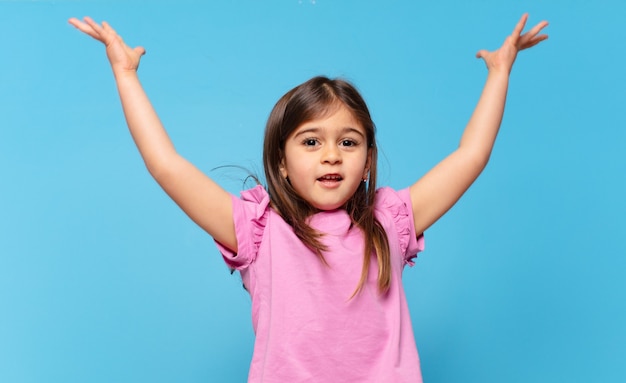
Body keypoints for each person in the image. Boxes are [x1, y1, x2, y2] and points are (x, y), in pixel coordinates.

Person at [69, 13, 548, 383]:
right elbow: (166, 165)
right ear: (281, 160)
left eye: (348, 142)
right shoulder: (258, 227)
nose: (331, 157)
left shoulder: (390, 220)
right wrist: (126, 75)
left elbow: (471, 155)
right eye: (311, 141)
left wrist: (499, 73)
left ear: (367, 157)